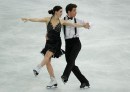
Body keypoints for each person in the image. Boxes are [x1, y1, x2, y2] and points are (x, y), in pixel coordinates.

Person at [21, 5, 88, 88]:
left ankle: (38, 67)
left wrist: (83, 26)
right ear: (56, 11)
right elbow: (37, 19)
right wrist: (28, 19)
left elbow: (73, 24)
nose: (61, 13)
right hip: (48, 42)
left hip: (56, 43)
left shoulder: (61, 20)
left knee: (47, 55)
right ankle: (53, 80)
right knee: (48, 61)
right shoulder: (47, 19)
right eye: (60, 11)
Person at [61, 3, 90, 88]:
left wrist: (88, 25)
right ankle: (84, 81)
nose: (76, 12)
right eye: (74, 10)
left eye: (76, 10)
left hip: (76, 43)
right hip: (67, 44)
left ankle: (65, 76)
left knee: (70, 61)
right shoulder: (63, 20)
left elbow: (87, 24)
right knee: (71, 64)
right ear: (68, 11)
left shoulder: (78, 20)